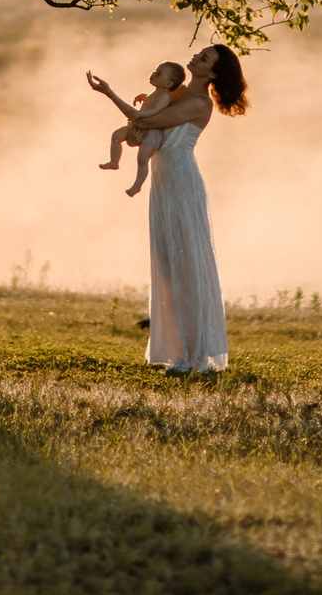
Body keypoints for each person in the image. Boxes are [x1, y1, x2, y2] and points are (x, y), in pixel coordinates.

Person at [87, 43, 248, 374]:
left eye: (204, 59)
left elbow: (143, 120)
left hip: (181, 183)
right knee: (167, 261)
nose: (195, 57)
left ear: (212, 73)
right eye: (200, 53)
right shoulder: (177, 94)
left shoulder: (200, 103)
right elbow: (146, 117)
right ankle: (175, 350)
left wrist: (108, 92)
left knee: (185, 262)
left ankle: (193, 353)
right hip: (165, 182)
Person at [100, 60, 187, 196]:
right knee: (117, 135)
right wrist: (145, 97)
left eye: (159, 73)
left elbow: (155, 110)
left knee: (142, 158)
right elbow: (152, 102)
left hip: (151, 132)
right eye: (155, 70)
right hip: (137, 126)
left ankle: (137, 185)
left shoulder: (164, 96)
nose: (154, 74)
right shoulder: (156, 92)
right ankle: (114, 161)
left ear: (169, 84)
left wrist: (140, 114)